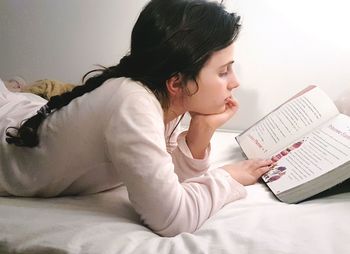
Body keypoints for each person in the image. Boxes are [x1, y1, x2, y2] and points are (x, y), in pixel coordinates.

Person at [0, 0, 272, 237]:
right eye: (224, 71)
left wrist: (200, 132)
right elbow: (173, 217)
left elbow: (162, 178)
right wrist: (229, 176)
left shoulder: (157, 96)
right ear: (176, 82)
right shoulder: (133, 104)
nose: (234, 83)